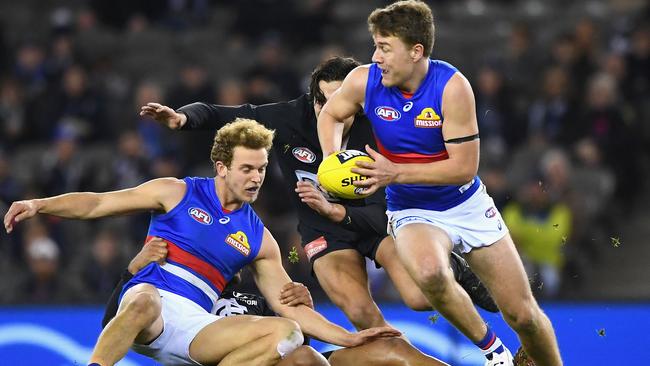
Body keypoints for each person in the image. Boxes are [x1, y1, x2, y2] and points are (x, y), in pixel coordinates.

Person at [140, 56, 497, 335]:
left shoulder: (383, 126)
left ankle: (453, 267)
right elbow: (223, 114)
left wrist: (338, 211)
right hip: (324, 232)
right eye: (323, 102)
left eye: (342, 103)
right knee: (361, 314)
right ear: (312, 97)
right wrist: (182, 119)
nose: (333, 113)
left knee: (420, 299)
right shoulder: (289, 118)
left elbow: (396, 197)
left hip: (379, 220)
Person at [4, 119, 400, 366]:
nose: (256, 178)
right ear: (222, 168)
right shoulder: (175, 192)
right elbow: (98, 203)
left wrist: (348, 336)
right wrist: (38, 204)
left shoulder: (260, 239)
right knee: (143, 298)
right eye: (246, 168)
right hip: (150, 310)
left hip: (197, 325)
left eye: (261, 169)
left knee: (286, 334)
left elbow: (289, 307)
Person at [316, 1, 562, 366]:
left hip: (466, 204)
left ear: (416, 51)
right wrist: (330, 159)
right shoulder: (363, 80)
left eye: (384, 48)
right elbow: (332, 114)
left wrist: (393, 172)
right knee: (430, 272)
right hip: (411, 208)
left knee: (523, 315)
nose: (375, 57)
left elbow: (463, 169)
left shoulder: (452, 87)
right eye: (375, 46)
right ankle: (493, 351)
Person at [103, 236, 450, 366]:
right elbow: (117, 325)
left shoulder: (257, 297)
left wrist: (305, 309)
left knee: (395, 347)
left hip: (284, 355)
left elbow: (294, 337)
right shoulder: (175, 294)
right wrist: (131, 272)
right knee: (305, 360)